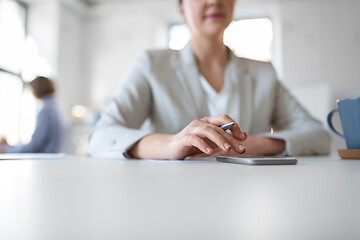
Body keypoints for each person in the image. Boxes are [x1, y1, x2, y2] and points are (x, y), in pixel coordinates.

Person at [89, 0, 331, 159]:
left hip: (249, 194)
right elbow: (101, 137)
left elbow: (318, 136)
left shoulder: (263, 73)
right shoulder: (152, 65)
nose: (214, 1)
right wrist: (172, 144)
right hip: (174, 195)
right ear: (182, 9)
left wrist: (256, 146)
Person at [0, 76, 64, 153]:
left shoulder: (47, 110)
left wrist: (8, 150)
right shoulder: (60, 108)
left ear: (37, 89)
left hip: (46, 158)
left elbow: (34, 146)